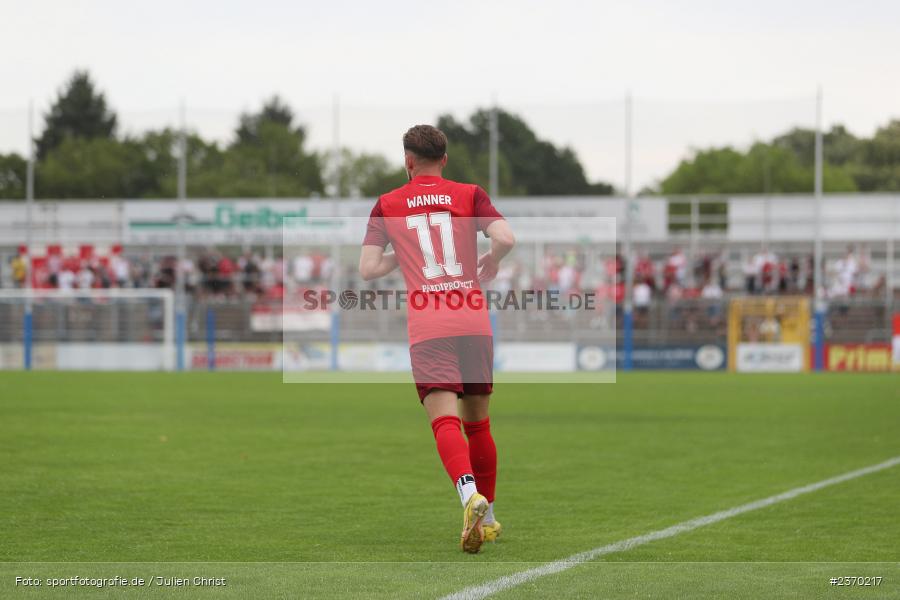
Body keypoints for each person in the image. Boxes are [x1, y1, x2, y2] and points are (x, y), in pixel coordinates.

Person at [359, 124, 515, 554]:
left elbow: (368, 269)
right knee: (478, 422)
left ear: (408, 161)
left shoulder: (388, 204)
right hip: (473, 321)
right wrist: (492, 259)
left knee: (444, 420)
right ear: (444, 159)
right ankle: (491, 517)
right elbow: (506, 237)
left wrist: (403, 251)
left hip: (430, 326)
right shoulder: (469, 194)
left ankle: (469, 497)